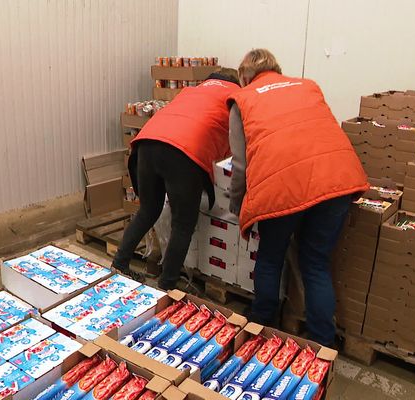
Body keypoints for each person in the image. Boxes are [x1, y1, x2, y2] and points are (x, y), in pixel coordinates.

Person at [228, 49, 369, 346]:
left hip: (283, 185)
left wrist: (237, 207)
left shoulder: (243, 99)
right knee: (315, 262)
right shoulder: (307, 85)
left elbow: (239, 166)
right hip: (336, 179)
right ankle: (323, 345)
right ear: (278, 69)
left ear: (244, 77)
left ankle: (262, 327)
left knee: (270, 258)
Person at [112, 68, 240, 290]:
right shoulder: (235, 96)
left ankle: (119, 264)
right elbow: (236, 143)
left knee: (147, 210)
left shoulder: (192, 91)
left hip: (147, 142)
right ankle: (167, 285)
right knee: (183, 224)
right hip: (183, 151)